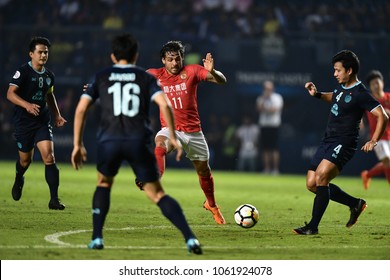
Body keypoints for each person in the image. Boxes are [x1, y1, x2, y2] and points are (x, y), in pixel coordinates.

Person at [71, 34, 202, 254]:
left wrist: (77, 144)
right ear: (136, 55)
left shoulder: (101, 76)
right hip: (137, 140)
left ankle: (97, 238)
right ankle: (190, 239)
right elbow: (165, 105)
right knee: (158, 194)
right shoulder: (145, 78)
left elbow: (82, 109)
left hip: (109, 140)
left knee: (103, 184)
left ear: (113, 55)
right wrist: (172, 136)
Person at [294, 50, 388, 235]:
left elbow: (382, 116)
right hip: (328, 139)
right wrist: (317, 94)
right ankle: (355, 204)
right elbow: (335, 97)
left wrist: (374, 140)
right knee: (312, 183)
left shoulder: (361, 93)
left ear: (349, 70)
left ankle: (312, 226)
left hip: (344, 142)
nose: (334, 73)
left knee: (322, 177)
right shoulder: (340, 86)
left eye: (337, 70)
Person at [137, 41, 228, 225]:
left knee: (204, 171)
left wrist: (212, 71)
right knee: (160, 143)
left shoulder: (192, 71)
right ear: (163, 60)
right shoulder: (154, 75)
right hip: (171, 129)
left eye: (177, 59)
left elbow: (222, 80)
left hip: (194, 133)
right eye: (170, 59)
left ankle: (212, 205)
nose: (174, 63)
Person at [6, 36, 67, 210]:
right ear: (31, 54)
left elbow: (49, 95)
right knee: (25, 161)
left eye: (46, 52)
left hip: (42, 120)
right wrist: (26, 105)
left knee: (49, 156)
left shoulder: (49, 76)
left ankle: (54, 200)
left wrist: (57, 115)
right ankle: (19, 178)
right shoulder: (23, 72)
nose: (43, 55)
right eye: (40, 52)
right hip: (23, 122)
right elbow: (10, 93)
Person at [361, 70, 390, 188]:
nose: (376, 85)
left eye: (377, 82)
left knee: (387, 163)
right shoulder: (370, 102)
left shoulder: (389, 97)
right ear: (370, 87)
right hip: (378, 137)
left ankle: (367, 175)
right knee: (387, 161)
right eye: (373, 84)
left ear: (382, 83)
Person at [256, 80, 283, 175]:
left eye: (269, 88)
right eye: (266, 88)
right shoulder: (261, 98)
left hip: (274, 126)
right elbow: (259, 108)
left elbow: (274, 109)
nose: (267, 90)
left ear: (273, 88)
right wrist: (264, 98)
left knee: (274, 148)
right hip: (264, 126)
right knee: (265, 148)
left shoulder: (277, 98)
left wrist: (266, 109)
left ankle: (275, 169)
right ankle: (267, 169)